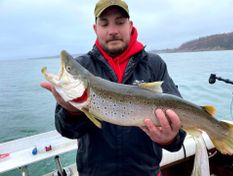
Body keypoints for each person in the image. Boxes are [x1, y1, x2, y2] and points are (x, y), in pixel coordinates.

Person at [41, 0, 186, 175]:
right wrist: (73, 112)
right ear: (95, 28)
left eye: (119, 22)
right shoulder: (82, 66)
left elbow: (179, 136)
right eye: (104, 23)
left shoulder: (154, 65)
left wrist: (170, 138)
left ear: (130, 25)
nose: (113, 31)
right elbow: (67, 131)